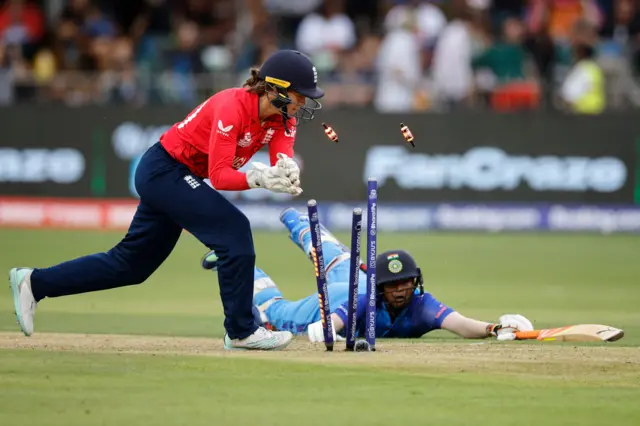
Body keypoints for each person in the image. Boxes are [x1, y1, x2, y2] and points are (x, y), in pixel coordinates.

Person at [9, 49, 325, 351]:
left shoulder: (284, 118)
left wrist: (286, 169)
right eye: (300, 94)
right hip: (163, 170)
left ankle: (35, 283)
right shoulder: (233, 107)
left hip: (177, 178)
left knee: (131, 265)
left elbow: (282, 155)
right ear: (274, 89)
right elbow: (219, 175)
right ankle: (241, 331)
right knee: (234, 230)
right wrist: (259, 178)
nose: (304, 101)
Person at [201, 208, 534, 342]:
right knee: (275, 314)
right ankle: (278, 230)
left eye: (406, 282)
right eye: (394, 285)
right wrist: (323, 329)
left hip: (357, 276)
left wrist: (494, 328)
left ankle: (292, 223)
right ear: (381, 287)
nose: (402, 290)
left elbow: (460, 324)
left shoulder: (422, 306)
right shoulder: (365, 301)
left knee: (336, 255)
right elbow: (336, 322)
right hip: (336, 301)